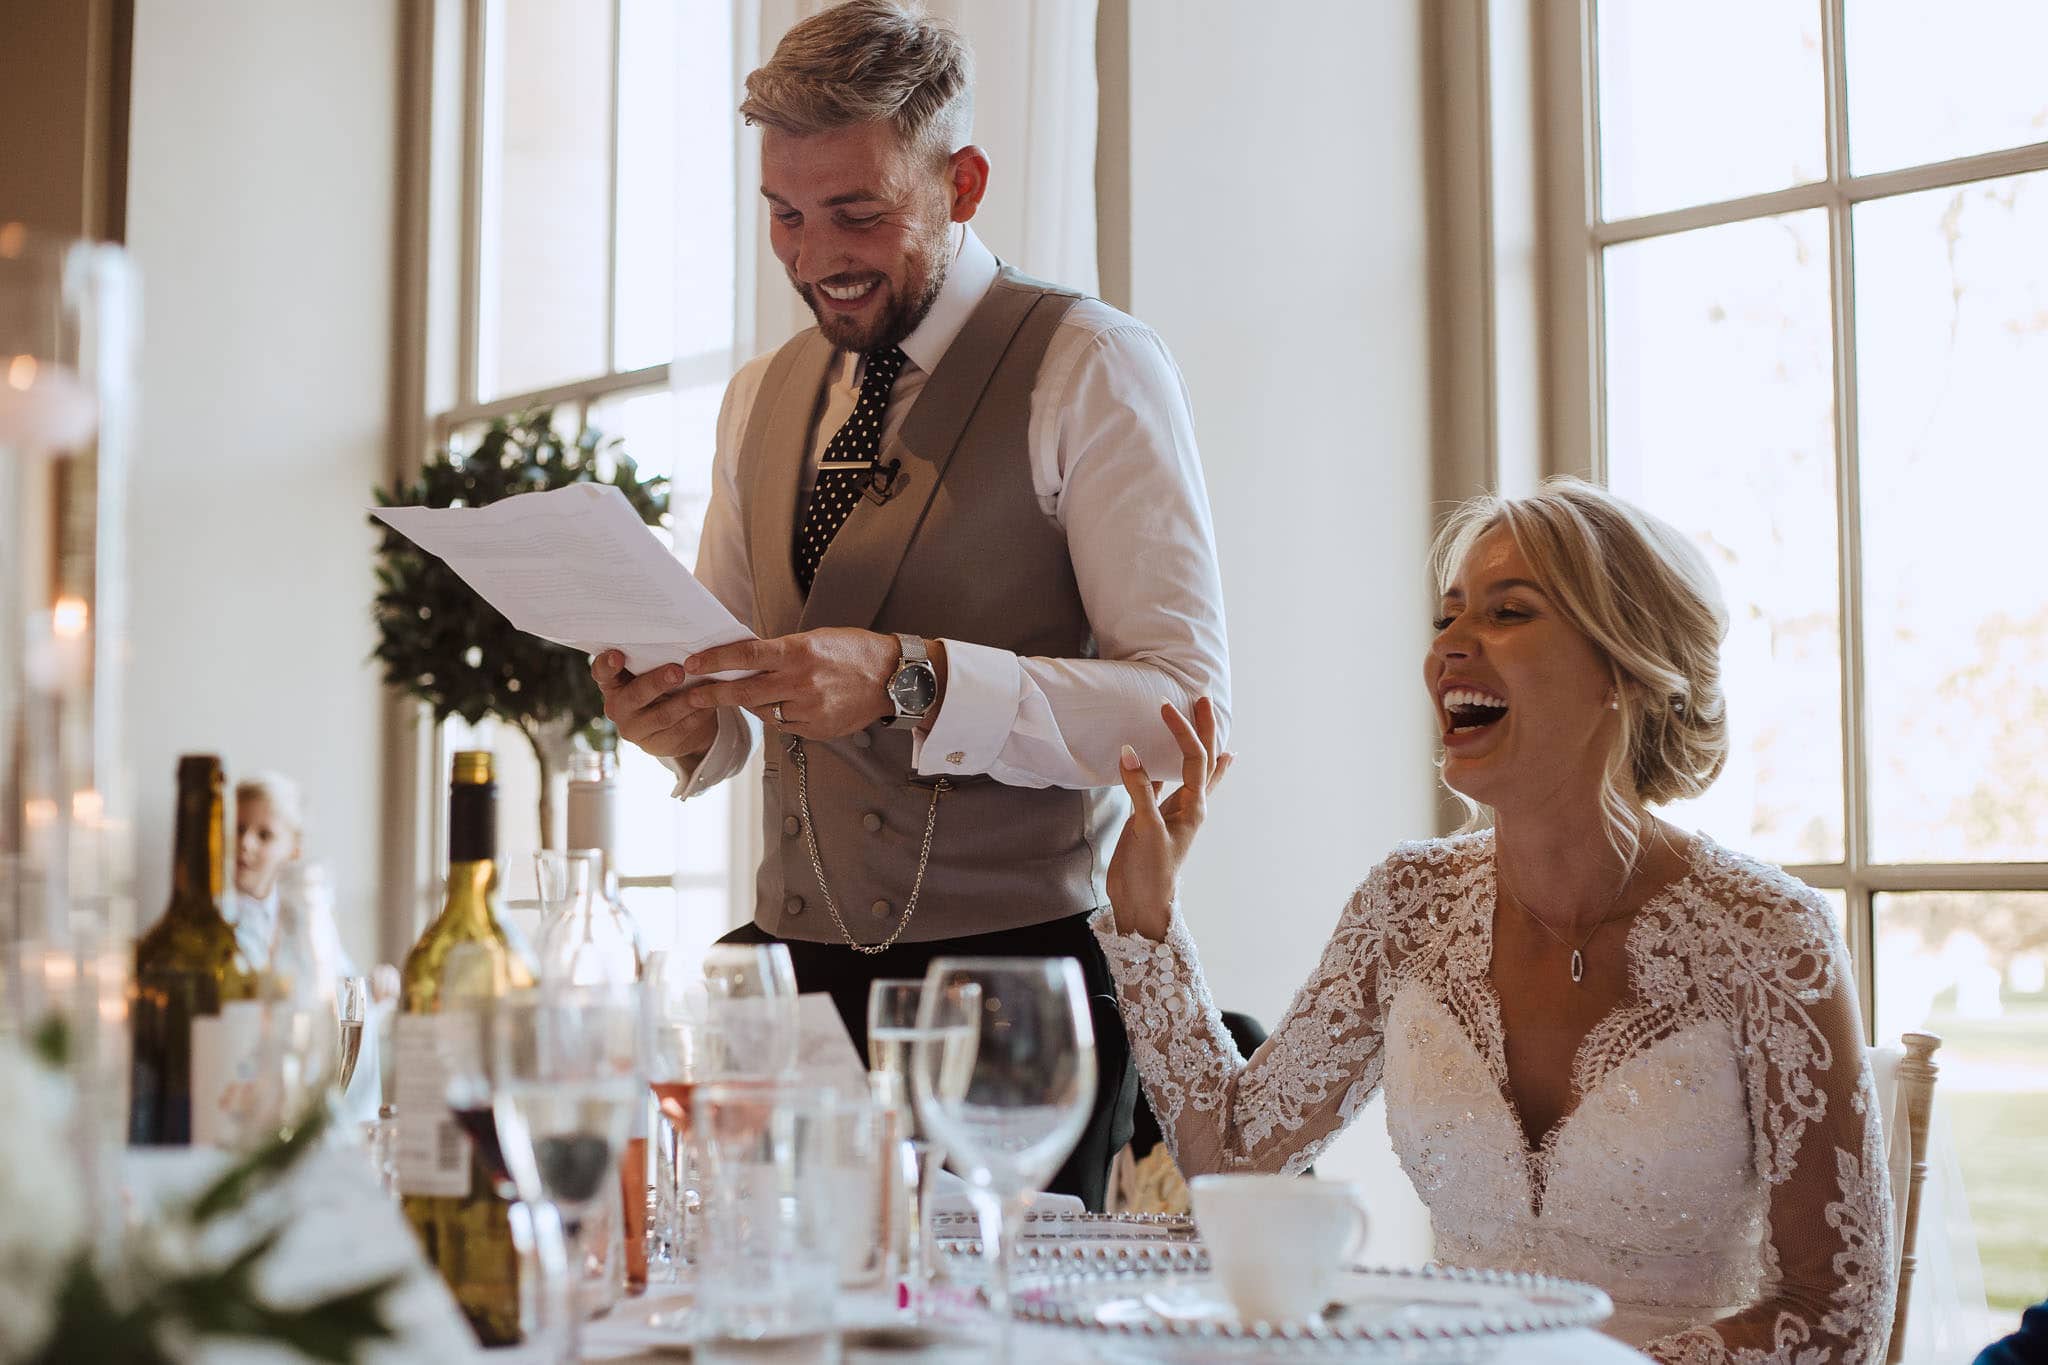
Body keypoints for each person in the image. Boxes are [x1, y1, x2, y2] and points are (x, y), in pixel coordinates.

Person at [593, 0, 1228, 1208]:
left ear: (965, 180)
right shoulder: (759, 396)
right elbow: (730, 685)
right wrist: (681, 720)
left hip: (1010, 999)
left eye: (858, 214)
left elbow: (1182, 712)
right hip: (785, 993)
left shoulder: (1086, 364)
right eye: (784, 213)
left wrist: (909, 675)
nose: (812, 254)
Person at [1098, 479, 1895, 1360]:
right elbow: (1235, 1158)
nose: (1449, 651)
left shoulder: (1770, 936)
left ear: (1621, 669)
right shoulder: (1408, 906)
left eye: (1508, 613)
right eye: (1447, 619)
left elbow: (1838, 1307)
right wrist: (1148, 923)